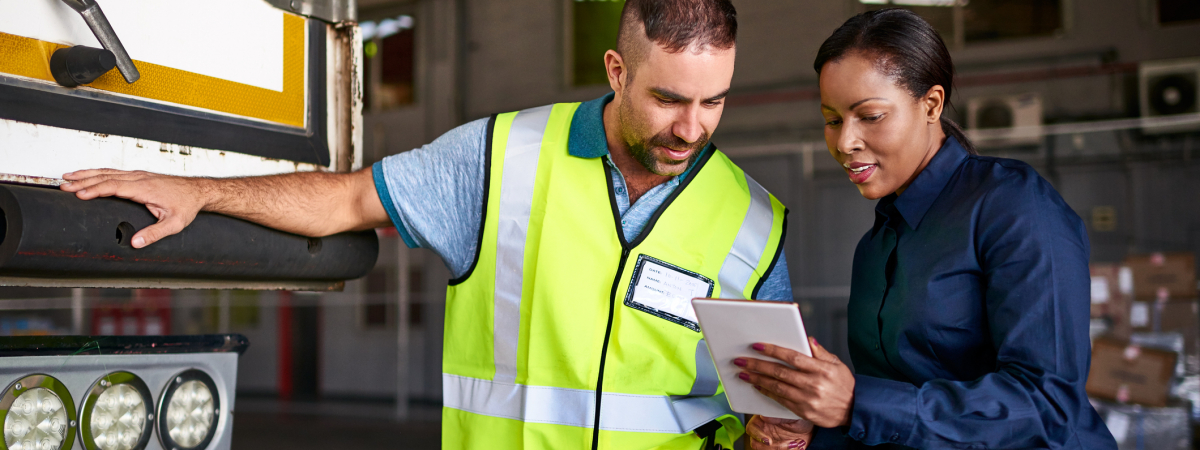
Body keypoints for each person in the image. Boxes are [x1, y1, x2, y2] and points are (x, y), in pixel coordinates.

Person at [61, 1, 793, 448]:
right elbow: (348, 200)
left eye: (715, 103)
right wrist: (200, 192)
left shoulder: (754, 221)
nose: (692, 128)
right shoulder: (503, 157)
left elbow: (764, 404)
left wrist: (776, 432)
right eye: (670, 100)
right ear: (616, 70)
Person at [733, 9, 1117, 450]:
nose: (844, 142)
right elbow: (896, 425)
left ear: (931, 104)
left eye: (870, 116)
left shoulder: (1015, 206)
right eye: (833, 119)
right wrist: (808, 430)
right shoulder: (875, 246)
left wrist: (857, 402)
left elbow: (1048, 405)